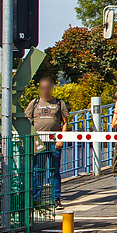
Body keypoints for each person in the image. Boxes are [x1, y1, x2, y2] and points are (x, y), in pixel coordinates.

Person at [25, 76, 69, 209]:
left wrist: (61, 138)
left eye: (47, 87)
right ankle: (36, 200)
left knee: (54, 171)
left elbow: (65, 122)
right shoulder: (34, 103)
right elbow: (26, 121)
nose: (45, 90)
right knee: (38, 171)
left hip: (54, 142)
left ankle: (56, 199)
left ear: (51, 88)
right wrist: (32, 138)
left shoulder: (59, 103)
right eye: (42, 88)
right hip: (38, 142)